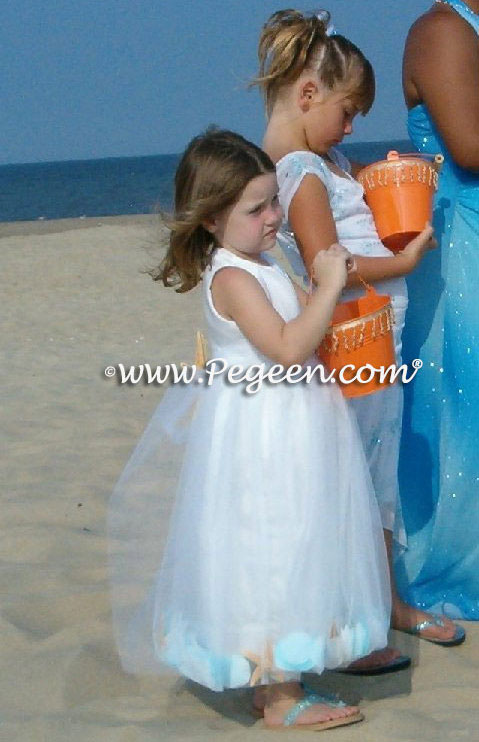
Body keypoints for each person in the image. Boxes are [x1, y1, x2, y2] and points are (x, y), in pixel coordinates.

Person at [109, 128, 393, 730]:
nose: (274, 217)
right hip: (262, 436)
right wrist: (331, 285)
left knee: (300, 541)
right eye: (257, 207)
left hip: (296, 429)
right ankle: (278, 695)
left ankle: (285, 668)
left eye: (274, 201)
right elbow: (289, 347)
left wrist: (322, 284)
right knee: (267, 547)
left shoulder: (263, 262)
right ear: (212, 219)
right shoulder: (232, 279)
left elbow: (306, 319)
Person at [252, 9, 463, 655]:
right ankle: (357, 619)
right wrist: (399, 263)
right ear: (307, 95)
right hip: (352, 341)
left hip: (377, 338)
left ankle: (386, 603)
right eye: (346, 112)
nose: (350, 127)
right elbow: (328, 265)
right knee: (354, 481)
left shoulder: (326, 158)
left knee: (376, 478)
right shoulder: (299, 173)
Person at [397, 0, 479, 623]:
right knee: (462, 398)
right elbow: (470, 147)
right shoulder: (444, 30)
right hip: (461, 245)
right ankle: (453, 563)